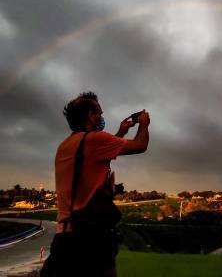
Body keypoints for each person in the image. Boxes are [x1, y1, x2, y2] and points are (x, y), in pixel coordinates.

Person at [40, 91, 150, 277]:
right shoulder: (95, 140)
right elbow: (140, 145)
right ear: (91, 116)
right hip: (91, 239)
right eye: (99, 112)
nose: (102, 116)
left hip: (65, 237)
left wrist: (121, 131)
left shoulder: (66, 145)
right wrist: (144, 124)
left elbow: (97, 156)